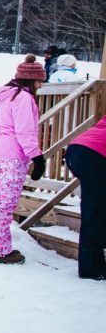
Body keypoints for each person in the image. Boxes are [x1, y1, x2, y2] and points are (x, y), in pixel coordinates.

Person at [0, 54, 46, 265]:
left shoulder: (6, 96)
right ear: (31, 79)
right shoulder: (23, 98)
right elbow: (24, 131)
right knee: (5, 204)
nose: (40, 85)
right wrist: (37, 157)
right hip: (12, 157)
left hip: (0, 155)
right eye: (39, 81)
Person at [64, 114, 106, 280]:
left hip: (76, 150)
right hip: (93, 156)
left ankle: (92, 266)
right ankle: (92, 269)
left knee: (94, 208)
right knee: (96, 212)